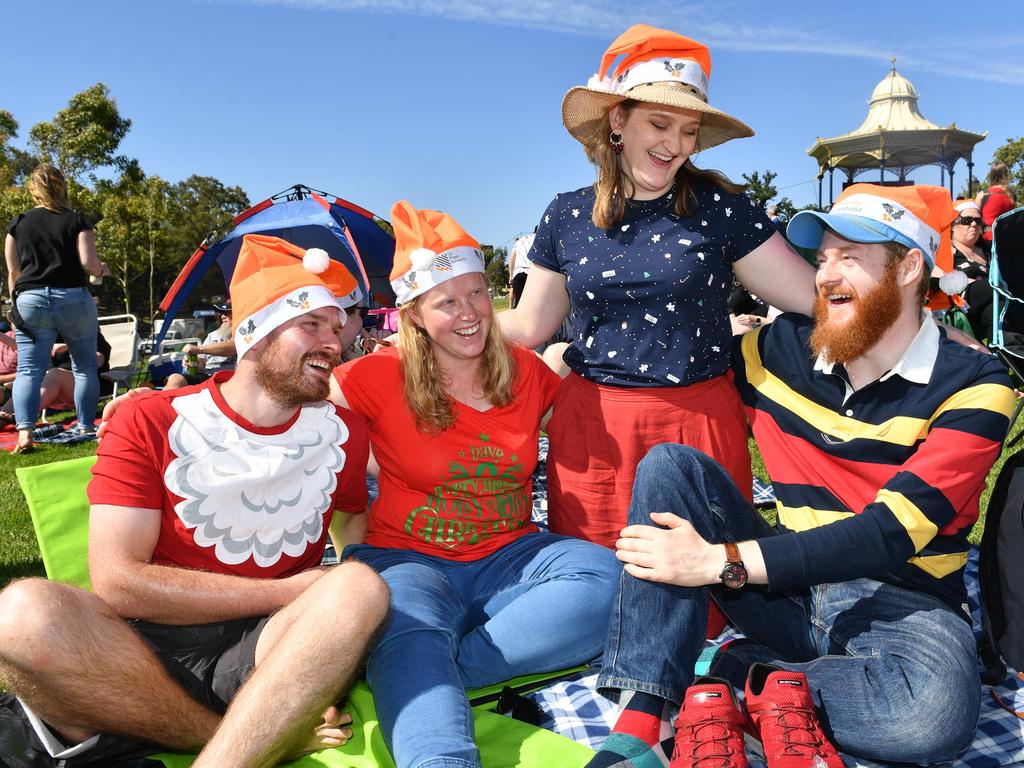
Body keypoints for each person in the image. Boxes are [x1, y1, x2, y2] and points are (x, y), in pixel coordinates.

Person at [585, 184, 1016, 768]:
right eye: (821, 259)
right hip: (784, 589)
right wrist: (566, 354)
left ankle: (740, 675)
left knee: (932, 720)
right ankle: (645, 712)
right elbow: (659, 353)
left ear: (911, 267)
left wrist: (718, 563)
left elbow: (891, 534)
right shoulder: (773, 349)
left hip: (904, 603)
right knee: (671, 466)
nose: (825, 276)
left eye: (850, 258)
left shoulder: (976, 385)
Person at [0, 234, 389, 768]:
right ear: (254, 332)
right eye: (311, 324)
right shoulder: (151, 419)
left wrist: (335, 591)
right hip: (139, 654)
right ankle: (239, 736)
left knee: (359, 588)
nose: (335, 341)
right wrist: (292, 591)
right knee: (19, 612)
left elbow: (353, 519)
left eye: (337, 324)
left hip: (269, 652)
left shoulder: (343, 432)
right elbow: (117, 580)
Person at [498, 24, 816, 548]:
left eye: (689, 130)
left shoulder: (724, 210)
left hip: (698, 424)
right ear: (617, 120)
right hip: (592, 431)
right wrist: (434, 321)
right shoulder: (568, 213)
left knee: (706, 600)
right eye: (659, 123)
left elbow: (816, 298)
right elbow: (531, 324)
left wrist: (912, 325)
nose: (674, 145)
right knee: (595, 591)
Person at [329, 201, 620, 768]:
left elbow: (585, 415)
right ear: (412, 313)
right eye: (446, 302)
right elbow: (280, 400)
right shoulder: (374, 375)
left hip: (510, 556)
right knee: (409, 621)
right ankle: (437, 740)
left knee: (608, 581)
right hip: (407, 558)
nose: (470, 314)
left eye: (477, 294)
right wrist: (164, 401)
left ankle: (423, 669)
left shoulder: (523, 370)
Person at [4, 163, 110, 454]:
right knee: (86, 366)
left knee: (28, 369)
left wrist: (16, 305)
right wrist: (102, 270)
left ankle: (25, 433)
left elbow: (13, 273)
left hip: (29, 298)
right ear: (62, 186)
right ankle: (86, 426)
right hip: (72, 297)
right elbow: (89, 264)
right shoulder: (77, 220)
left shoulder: (18, 223)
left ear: (33, 190)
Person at [164, 301, 237, 389]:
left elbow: (231, 348)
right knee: (175, 379)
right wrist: (196, 362)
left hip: (230, 376)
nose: (222, 316)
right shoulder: (212, 335)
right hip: (208, 375)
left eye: (227, 313)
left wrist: (199, 349)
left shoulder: (243, 333)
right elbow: (203, 362)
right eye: (221, 313)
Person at [951, 199, 993, 340]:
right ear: (953, 224)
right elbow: (940, 278)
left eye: (978, 220)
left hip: (991, 304)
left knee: (998, 311)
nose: (974, 224)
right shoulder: (946, 250)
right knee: (998, 285)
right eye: (967, 220)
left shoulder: (990, 249)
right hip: (964, 302)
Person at [976, 161, 1017, 244]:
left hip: (988, 239)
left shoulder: (983, 194)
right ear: (1006, 174)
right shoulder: (1012, 195)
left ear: (991, 175)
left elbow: (975, 217)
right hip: (1008, 238)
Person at [507, 230, 535, 309]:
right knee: (533, 302)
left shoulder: (519, 240)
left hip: (518, 272)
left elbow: (512, 258)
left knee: (519, 301)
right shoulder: (537, 239)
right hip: (531, 272)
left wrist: (511, 275)